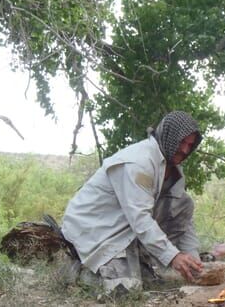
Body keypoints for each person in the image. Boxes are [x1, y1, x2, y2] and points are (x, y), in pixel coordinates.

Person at [61, 111, 204, 292]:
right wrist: (173, 256)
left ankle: (138, 260)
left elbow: (184, 217)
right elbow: (140, 218)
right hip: (95, 230)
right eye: (181, 142)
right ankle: (81, 270)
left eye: (190, 145)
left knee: (184, 202)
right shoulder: (139, 163)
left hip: (124, 228)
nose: (185, 149)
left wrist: (194, 262)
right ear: (168, 136)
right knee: (127, 289)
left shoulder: (171, 168)